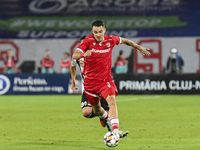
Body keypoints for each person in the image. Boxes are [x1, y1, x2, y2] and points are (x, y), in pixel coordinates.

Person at [72, 20, 150, 139]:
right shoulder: (88, 41)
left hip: (105, 81)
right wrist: (84, 54)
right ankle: (106, 118)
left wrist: (139, 47)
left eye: (100, 31)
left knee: (112, 101)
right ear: (92, 32)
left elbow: (125, 41)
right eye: (96, 32)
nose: (98, 34)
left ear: (104, 30)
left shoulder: (111, 40)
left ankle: (115, 131)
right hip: (90, 84)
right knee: (97, 110)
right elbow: (75, 55)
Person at [70, 35, 111, 131]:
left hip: (101, 85)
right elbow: (72, 66)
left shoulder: (97, 52)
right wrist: (73, 81)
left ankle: (113, 133)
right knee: (86, 112)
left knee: (106, 120)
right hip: (88, 87)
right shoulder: (78, 55)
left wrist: (89, 64)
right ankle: (102, 115)